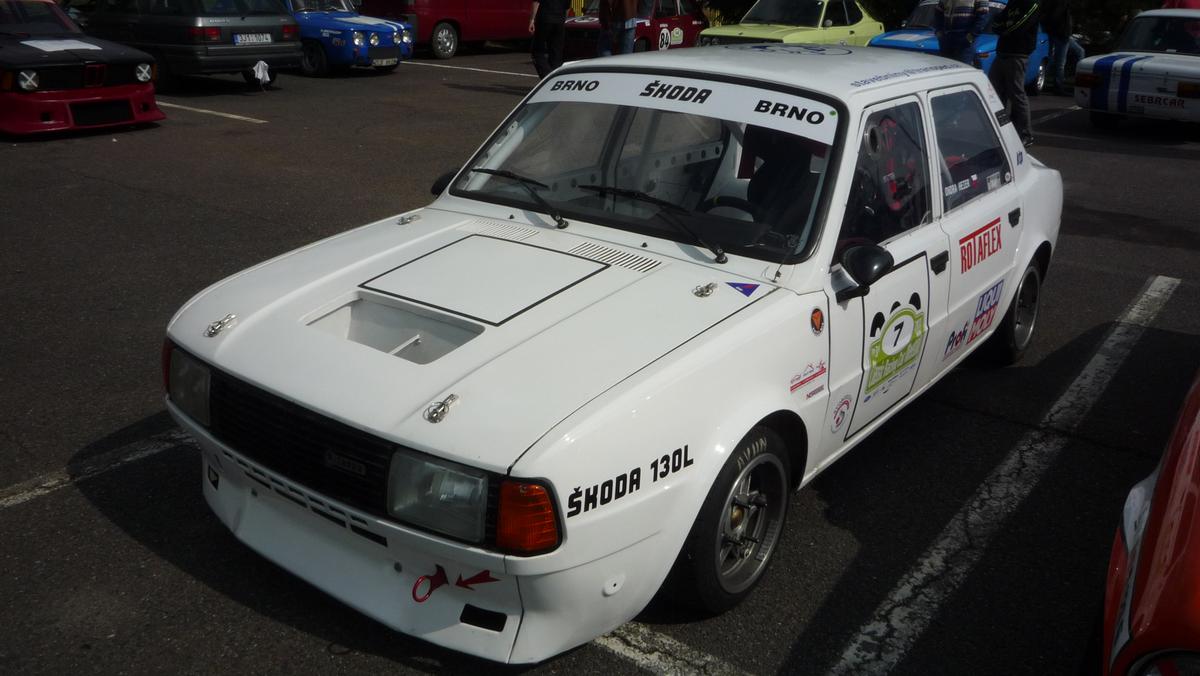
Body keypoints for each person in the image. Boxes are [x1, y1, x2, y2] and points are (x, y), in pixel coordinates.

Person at [989, 0, 1041, 146]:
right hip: (1002, 52)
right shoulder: (1012, 3)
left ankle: (1026, 134)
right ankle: (1000, 130)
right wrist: (1002, 26)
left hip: (1018, 54)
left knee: (1017, 94)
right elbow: (996, 21)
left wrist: (1003, 27)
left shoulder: (1032, 3)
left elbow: (1018, 26)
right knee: (995, 92)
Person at [934, 0, 999, 65]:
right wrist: (939, 32)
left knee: (962, 68)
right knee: (946, 68)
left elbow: (983, 17)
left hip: (965, 41)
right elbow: (938, 13)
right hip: (946, 39)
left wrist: (970, 37)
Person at [1043, 0, 1084, 94]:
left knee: (1079, 52)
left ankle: (1060, 82)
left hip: (1062, 33)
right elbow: (1055, 16)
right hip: (1061, 34)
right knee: (1060, 62)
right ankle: (1058, 86)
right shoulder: (1061, 3)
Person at [530, 0, 569, 79]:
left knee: (537, 51)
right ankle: (556, 77)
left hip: (544, 18)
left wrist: (532, 19)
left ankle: (547, 76)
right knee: (556, 52)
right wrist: (563, 20)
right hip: (560, 20)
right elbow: (567, 7)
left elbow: (536, 2)